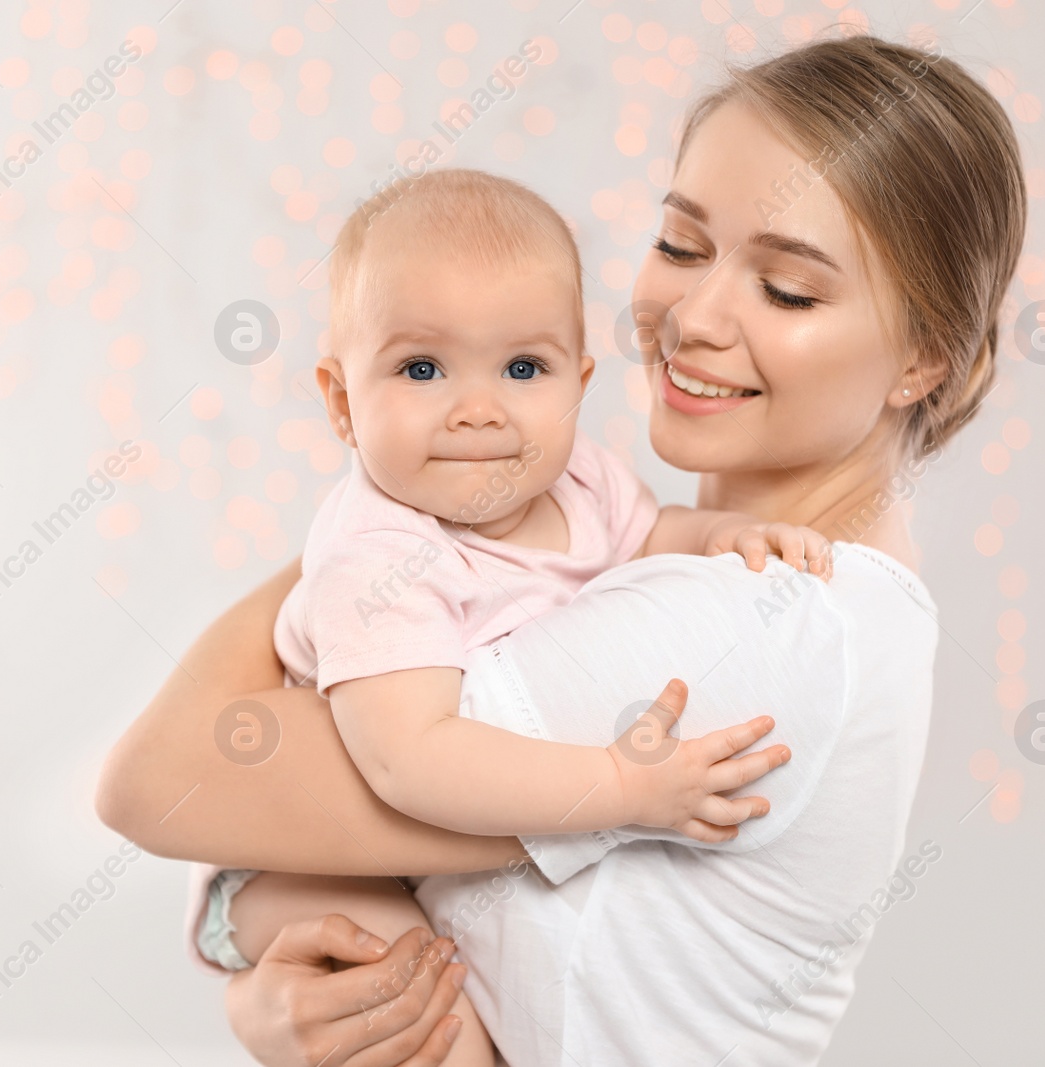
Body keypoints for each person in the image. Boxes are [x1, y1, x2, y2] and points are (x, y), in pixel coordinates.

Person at [98, 32, 1025, 1066]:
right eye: (680, 245)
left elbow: (162, 778)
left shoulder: (765, 618)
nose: (696, 315)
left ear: (924, 356)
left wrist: (378, 517)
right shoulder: (662, 551)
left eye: (788, 290)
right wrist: (280, 988)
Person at [188, 167, 825, 1067]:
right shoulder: (380, 555)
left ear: (578, 382)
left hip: (434, 853)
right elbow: (411, 757)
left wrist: (726, 531)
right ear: (340, 400)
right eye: (421, 368)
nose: (479, 409)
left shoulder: (586, 481)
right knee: (426, 1011)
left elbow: (651, 536)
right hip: (301, 860)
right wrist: (622, 790)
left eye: (524, 368)